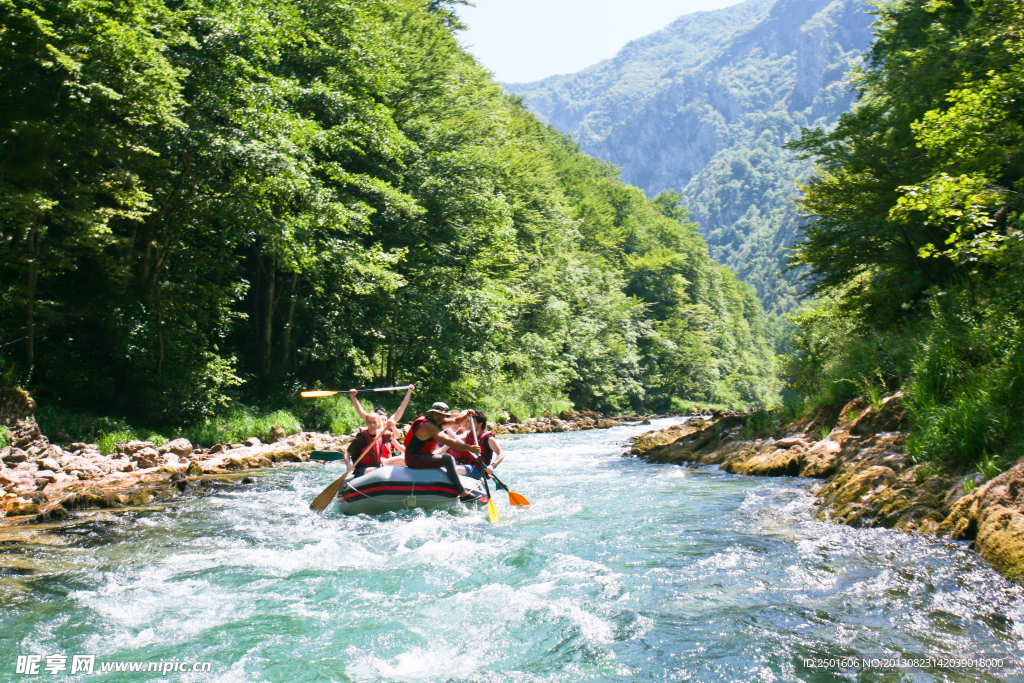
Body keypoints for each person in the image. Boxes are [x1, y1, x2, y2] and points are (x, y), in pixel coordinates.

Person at [403, 401, 480, 499]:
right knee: (448, 459)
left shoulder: (437, 421)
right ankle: (463, 493)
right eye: (439, 415)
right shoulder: (428, 426)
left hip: (421, 456)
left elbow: (457, 421)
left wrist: (467, 415)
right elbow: (448, 441)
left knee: (447, 458)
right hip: (414, 459)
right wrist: (468, 448)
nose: (441, 418)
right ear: (432, 413)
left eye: (443, 415)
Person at [345, 412, 404, 478]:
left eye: (374, 422)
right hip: (362, 469)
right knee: (381, 471)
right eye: (369, 422)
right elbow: (347, 453)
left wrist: (393, 427)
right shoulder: (361, 438)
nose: (372, 425)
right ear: (366, 423)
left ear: (379, 422)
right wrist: (348, 465)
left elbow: (396, 436)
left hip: (378, 465)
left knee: (402, 459)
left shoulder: (382, 434)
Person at [449, 411, 503, 479]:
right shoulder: (468, 433)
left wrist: (492, 466)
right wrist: (448, 426)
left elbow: (501, 453)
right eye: (469, 422)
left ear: (480, 424)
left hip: (477, 470)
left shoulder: (488, 438)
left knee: (451, 469)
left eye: (473, 422)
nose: (469, 424)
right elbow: (455, 438)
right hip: (464, 466)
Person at [349, 385, 414, 430]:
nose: (383, 423)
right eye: (381, 420)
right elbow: (360, 410)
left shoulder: (389, 424)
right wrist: (353, 397)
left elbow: (402, 407)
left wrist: (409, 391)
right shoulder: (371, 423)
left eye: (385, 420)